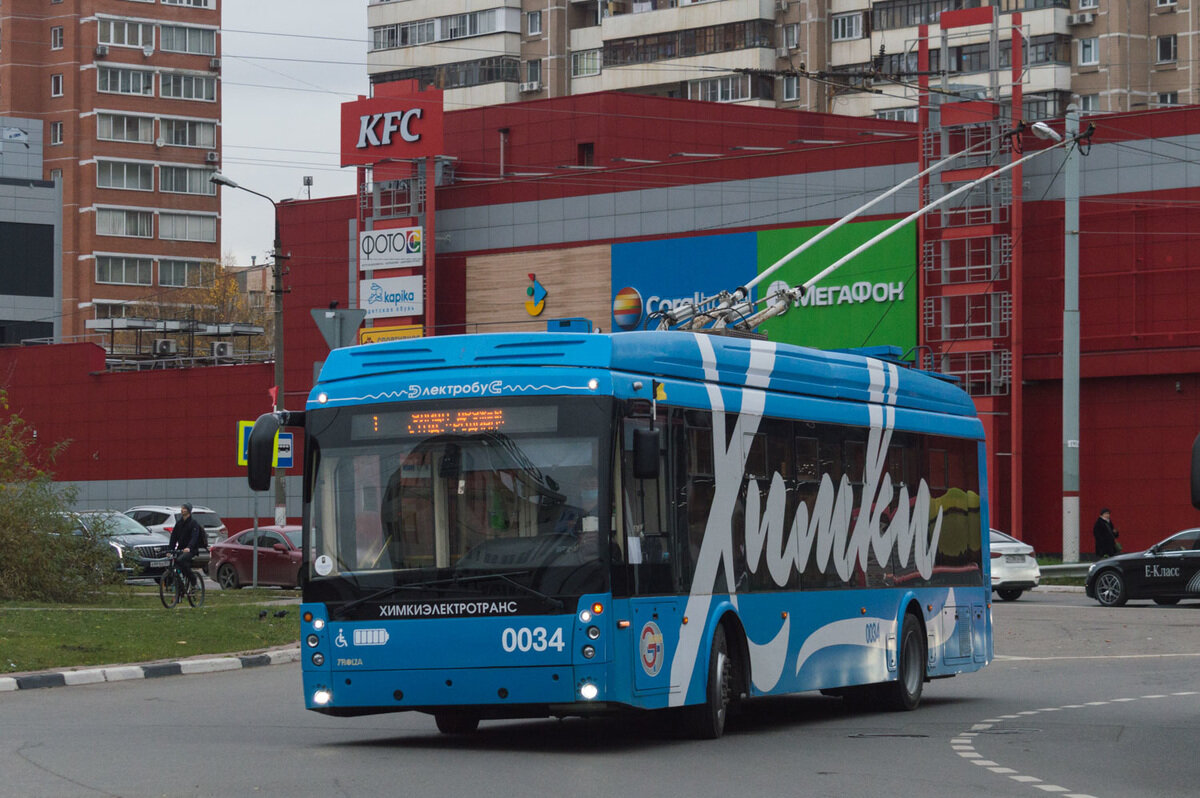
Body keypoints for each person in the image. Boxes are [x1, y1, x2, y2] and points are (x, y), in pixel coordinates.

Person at [168, 503, 204, 588]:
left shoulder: (193, 523)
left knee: (181, 560)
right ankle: (178, 585)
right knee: (173, 562)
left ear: (189, 511)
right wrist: (170, 550)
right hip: (181, 549)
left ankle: (193, 579)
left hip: (191, 550)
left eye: (184, 508)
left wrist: (189, 547)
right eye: (182, 508)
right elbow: (173, 537)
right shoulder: (179, 523)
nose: (182, 510)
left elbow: (194, 538)